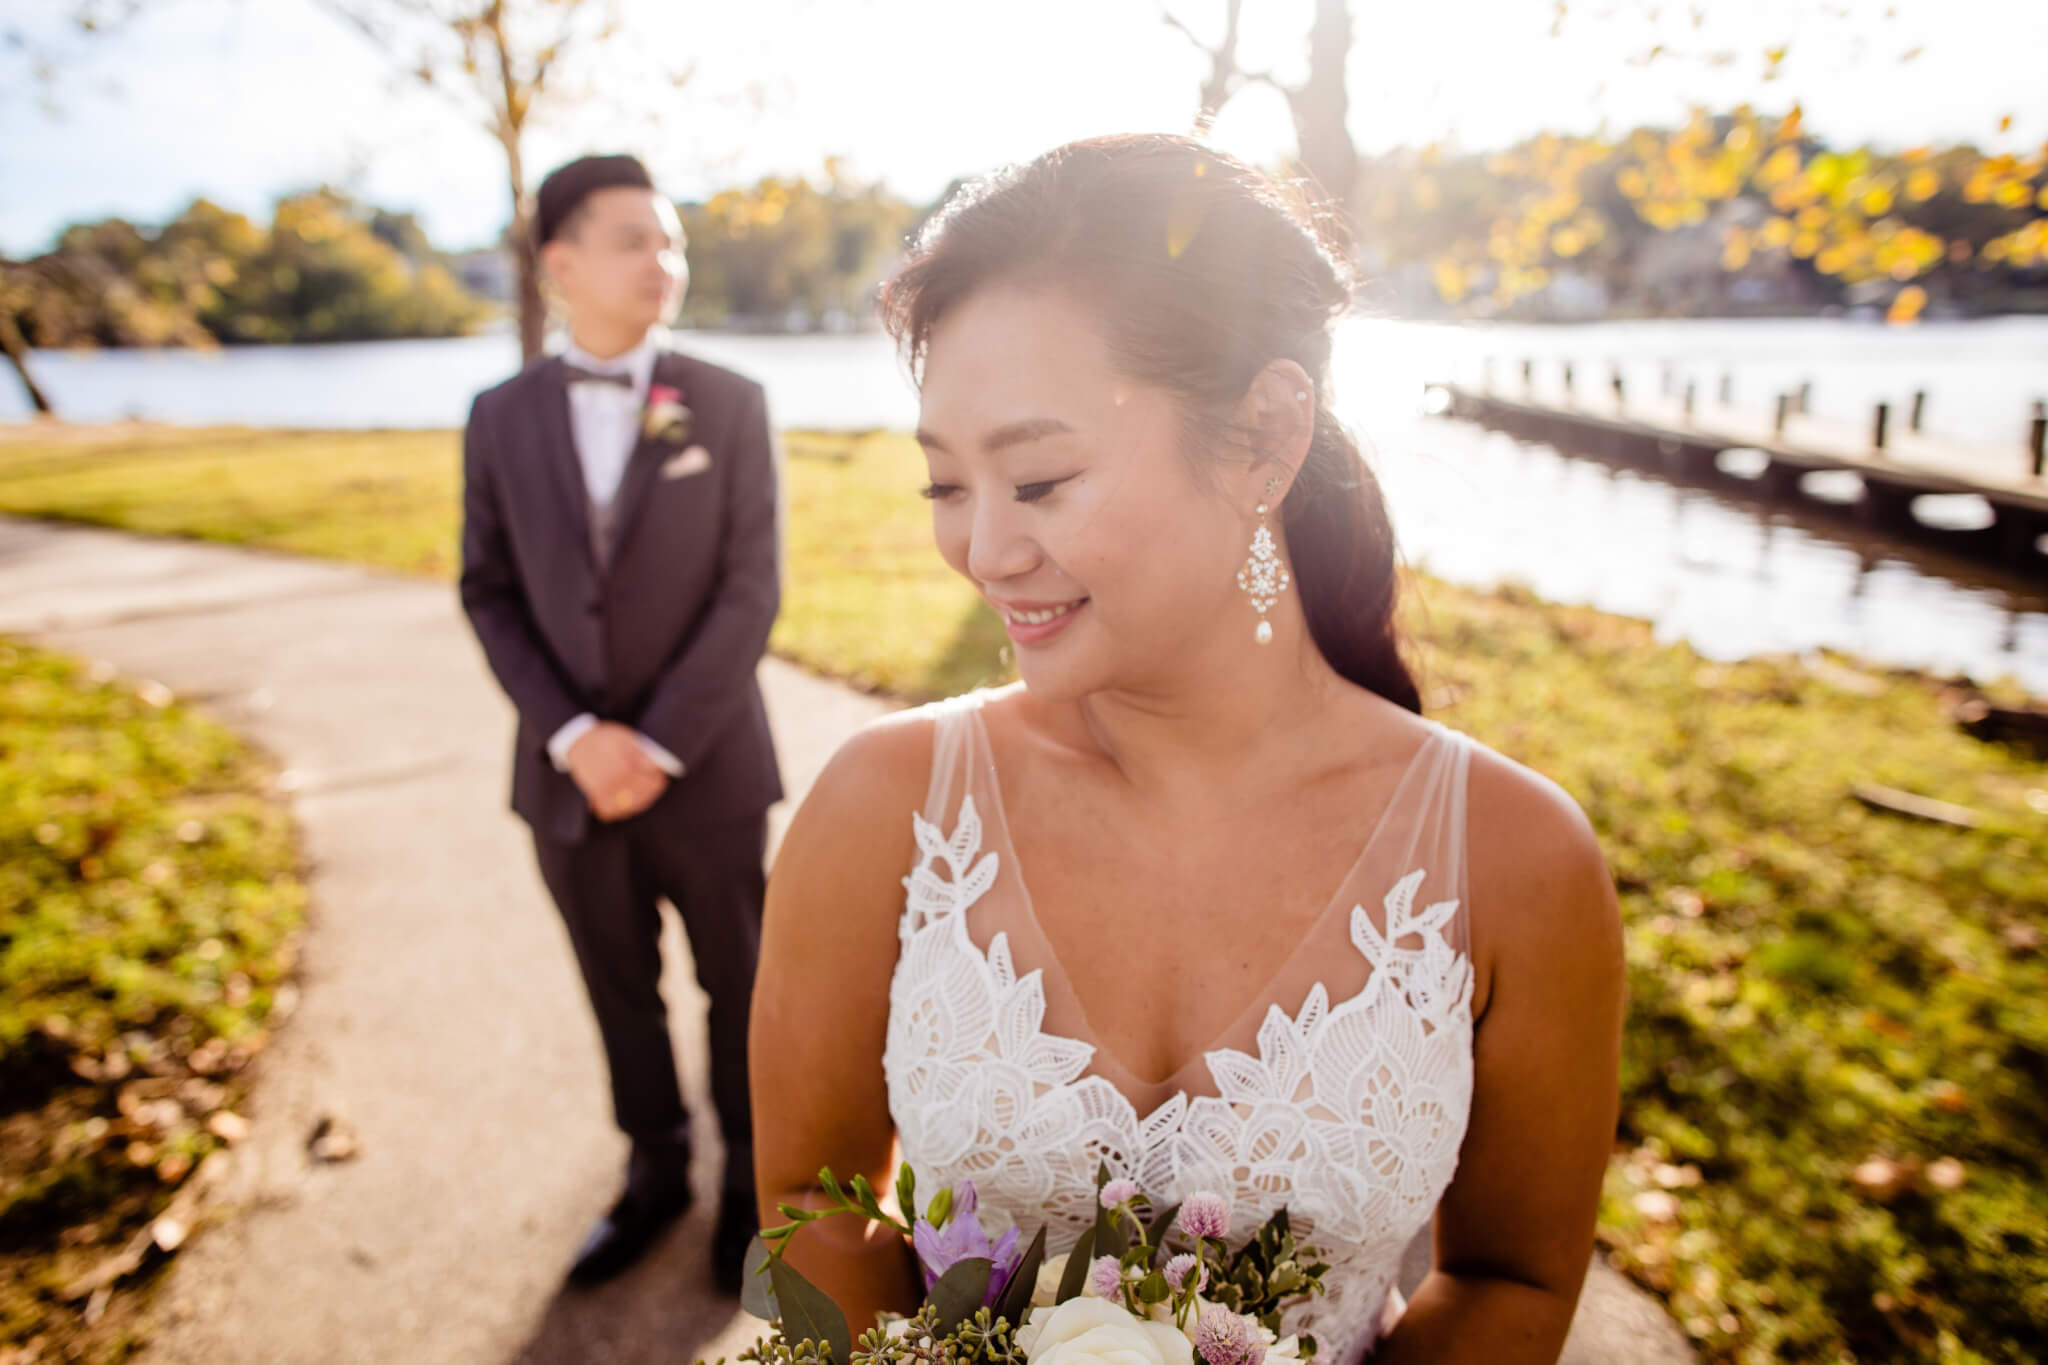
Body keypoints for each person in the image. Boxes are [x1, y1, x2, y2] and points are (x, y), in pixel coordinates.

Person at [751, 135, 1625, 1364]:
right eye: (945, 486)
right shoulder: (882, 806)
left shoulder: (1515, 858)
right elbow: (806, 1209)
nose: (984, 552)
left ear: (1264, 436)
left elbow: (1511, 1278)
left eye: (1041, 479)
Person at [458, 152, 781, 1292]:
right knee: (616, 991)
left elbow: (752, 590)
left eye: (673, 241)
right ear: (559, 263)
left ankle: (753, 1194)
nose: (665, 262)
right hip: (564, 780)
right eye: (635, 239)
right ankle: (653, 1177)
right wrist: (574, 737)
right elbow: (486, 589)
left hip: (711, 769)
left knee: (742, 988)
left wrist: (653, 743)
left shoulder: (729, 402)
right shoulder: (496, 417)